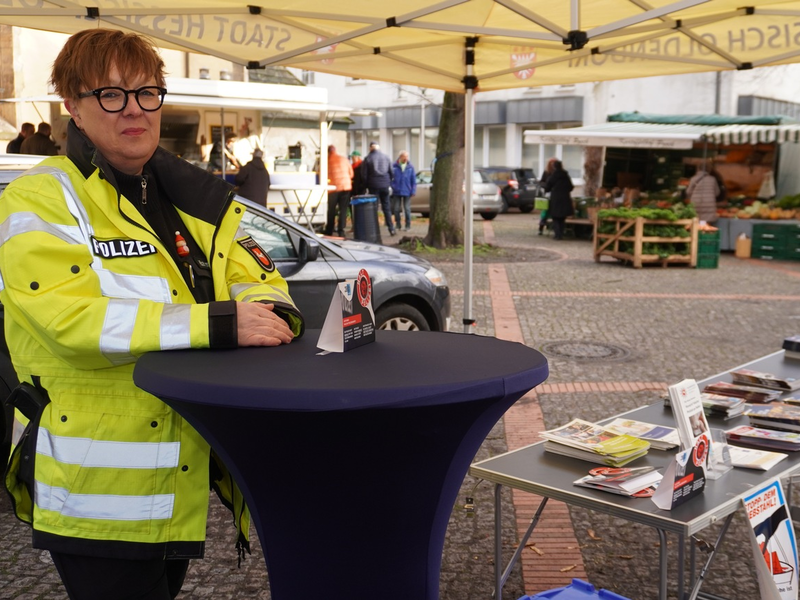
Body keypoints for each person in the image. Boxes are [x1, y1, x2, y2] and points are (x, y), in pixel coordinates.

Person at [0, 29, 304, 600]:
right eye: (110, 94)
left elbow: (260, 278)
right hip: (93, 488)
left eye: (147, 92)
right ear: (74, 106)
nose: (134, 109)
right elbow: (71, 321)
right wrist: (218, 324)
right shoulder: (39, 198)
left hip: (177, 476)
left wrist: (269, 312)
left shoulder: (191, 197)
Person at [362, 141, 394, 235]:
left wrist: (366, 186)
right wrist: (389, 182)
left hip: (373, 185)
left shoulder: (368, 158)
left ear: (370, 148)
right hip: (385, 185)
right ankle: (391, 228)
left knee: (373, 208)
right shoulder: (386, 157)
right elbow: (392, 172)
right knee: (387, 207)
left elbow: (364, 175)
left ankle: (375, 230)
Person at [324, 145, 354, 237]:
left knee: (331, 209)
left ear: (328, 152)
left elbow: (322, 175)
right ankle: (341, 230)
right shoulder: (344, 159)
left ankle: (329, 230)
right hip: (345, 187)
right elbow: (351, 174)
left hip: (333, 188)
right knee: (343, 209)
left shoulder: (326, 161)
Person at [542, 159, 574, 240]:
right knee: (562, 218)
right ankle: (561, 234)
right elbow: (571, 187)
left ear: (554, 166)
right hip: (565, 198)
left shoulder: (553, 176)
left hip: (555, 199)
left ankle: (557, 235)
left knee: (555, 217)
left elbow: (547, 187)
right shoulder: (566, 176)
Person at [390, 150, 416, 232]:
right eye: (404, 157)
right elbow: (390, 178)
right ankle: (398, 225)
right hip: (397, 190)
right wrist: (393, 186)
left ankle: (408, 225)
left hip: (407, 190)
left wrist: (413, 191)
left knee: (407, 209)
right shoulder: (394, 166)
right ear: (400, 157)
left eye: (407, 157)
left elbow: (413, 180)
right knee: (396, 209)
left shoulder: (410, 167)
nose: (406, 158)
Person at [537, 158, 557, 235]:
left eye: (554, 163)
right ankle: (541, 227)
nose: (552, 165)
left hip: (555, 195)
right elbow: (541, 182)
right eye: (551, 163)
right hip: (548, 194)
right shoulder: (546, 172)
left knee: (553, 212)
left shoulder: (557, 173)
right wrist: (546, 186)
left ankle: (554, 228)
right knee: (544, 212)